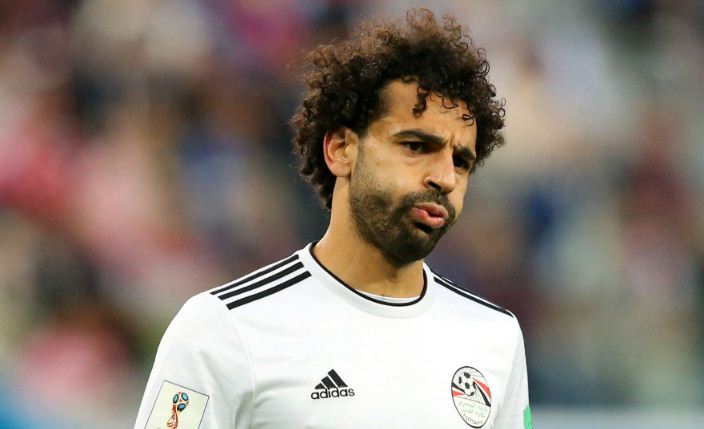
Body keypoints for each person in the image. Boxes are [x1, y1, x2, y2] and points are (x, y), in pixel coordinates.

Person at [134, 9, 531, 429]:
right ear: (341, 149)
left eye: (461, 161)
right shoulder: (222, 330)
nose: (445, 178)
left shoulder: (495, 337)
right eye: (415, 146)